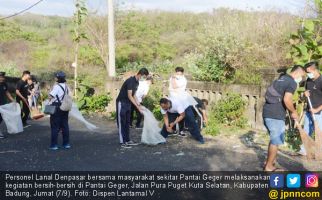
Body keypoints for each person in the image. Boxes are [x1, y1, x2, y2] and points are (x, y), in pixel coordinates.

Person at [262, 65, 305, 171]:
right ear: (298, 73)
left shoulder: (281, 78)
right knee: (276, 141)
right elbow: (287, 99)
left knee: (273, 140)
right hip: (276, 115)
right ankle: (269, 166)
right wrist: (293, 111)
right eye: (302, 76)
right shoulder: (292, 82)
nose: (301, 79)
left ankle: (269, 162)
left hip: (267, 112)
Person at [116, 68, 149, 148]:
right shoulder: (131, 81)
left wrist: (139, 104)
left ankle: (127, 140)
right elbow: (129, 95)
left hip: (128, 103)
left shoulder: (137, 82)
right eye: (144, 77)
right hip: (122, 102)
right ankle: (123, 142)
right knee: (122, 122)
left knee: (127, 122)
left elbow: (134, 95)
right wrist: (137, 107)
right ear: (141, 74)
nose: (144, 79)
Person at [299, 61, 322, 156]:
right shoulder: (308, 81)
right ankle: (305, 150)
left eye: (309, 72)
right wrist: (304, 95)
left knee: (319, 133)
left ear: (314, 70)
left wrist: (317, 110)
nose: (308, 74)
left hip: (320, 112)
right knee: (307, 131)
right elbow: (304, 96)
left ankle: (319, 151)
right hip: (309, 111)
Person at [48, 71, 71, 150]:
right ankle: (66, 144)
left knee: (55, 126)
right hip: (65, 106)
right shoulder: (66, 86)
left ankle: (54, 145)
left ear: (57, 78)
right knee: (65, 125)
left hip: (57, 106)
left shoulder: (57, 87)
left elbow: (50, 96)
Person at [0, 72, 15, 139]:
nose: (3, 78)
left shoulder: (4, 84)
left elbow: (7, 93)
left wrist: (13, 100)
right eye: (1, 77)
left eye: (3, 77)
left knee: (1, 118)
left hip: (3, 104)